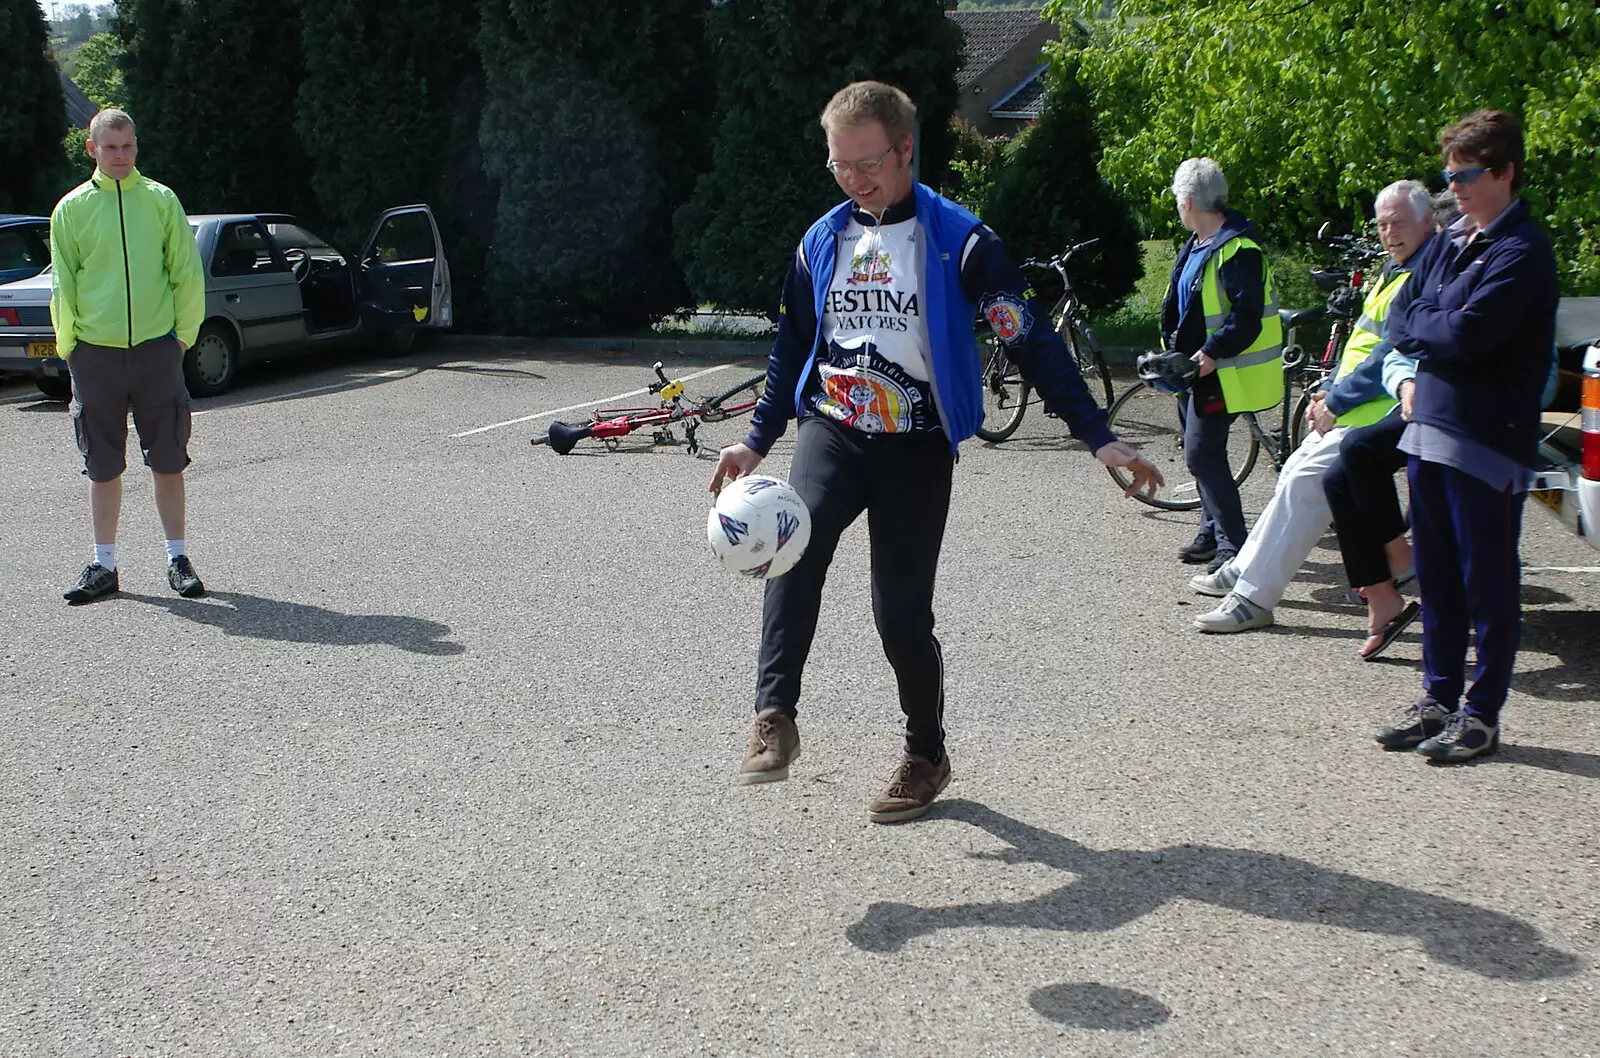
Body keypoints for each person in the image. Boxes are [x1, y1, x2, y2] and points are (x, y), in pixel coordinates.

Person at [708, 81, 1162, 823]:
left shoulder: (963, 242)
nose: (857, 180)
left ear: (906, 149)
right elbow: (793, 344)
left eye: (870, 164)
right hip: (833, 428)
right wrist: (756, 438)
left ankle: (926, 753)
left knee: (901, 615)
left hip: (915, 445)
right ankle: (775, 718)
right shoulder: (821, 241)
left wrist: (1097, 436)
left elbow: (1031, 340)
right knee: (794, 547)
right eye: (841, 166)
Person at [1375, 109, 1559, 762]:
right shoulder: (1454, 239)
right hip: (1429, 434)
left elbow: (1465, 335)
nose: (1454, 187)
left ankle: (1480, 717)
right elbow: (1403, 314)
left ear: (1505, 172)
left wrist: (1436, 318)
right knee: (1440, 579)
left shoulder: (1522, 250)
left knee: (1488, 585)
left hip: (1484, 441)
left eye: (1468, 175)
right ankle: (1437, 701)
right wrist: (1436, 316)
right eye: (1450, 175)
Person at [1191, 181, 1434, 635]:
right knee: (1296, 469)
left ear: (1427, 221)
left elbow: (1391, 354)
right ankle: (1245, 566)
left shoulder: (1422, 273)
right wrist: (1329, 390)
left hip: (1384, 409)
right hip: (1360, 403)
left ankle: (1254, 597)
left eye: (1398, 221)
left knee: (1308, 481)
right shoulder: (1397, 266)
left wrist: (1336, 401)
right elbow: (1364, 343)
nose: (1389, 232)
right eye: (1382, 224)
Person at [51, 108, 207, 605]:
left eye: (127, 146)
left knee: (168, 459)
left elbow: (185, 271)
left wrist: (181, 338)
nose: (120, 156)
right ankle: (104, 565)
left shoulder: (160, 201)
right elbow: (64, 283)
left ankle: (177, 559)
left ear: (136, 146)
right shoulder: (71, 209)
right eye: (110, 147)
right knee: (102, 464)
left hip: (157, 350)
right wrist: (70, 347)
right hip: (95, 354)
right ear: (92, 149)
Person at [1161, 159, 1283, 574]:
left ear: (1189, 200)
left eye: (1178, 199)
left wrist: (1211, 353)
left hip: (1221, 372)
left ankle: (1236, 549)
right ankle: (1211, 534)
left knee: (1201, 456)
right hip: (1193, 371)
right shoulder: (1201, 243)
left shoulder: (1238, 249)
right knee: (1206, 454)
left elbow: (1246, 317)